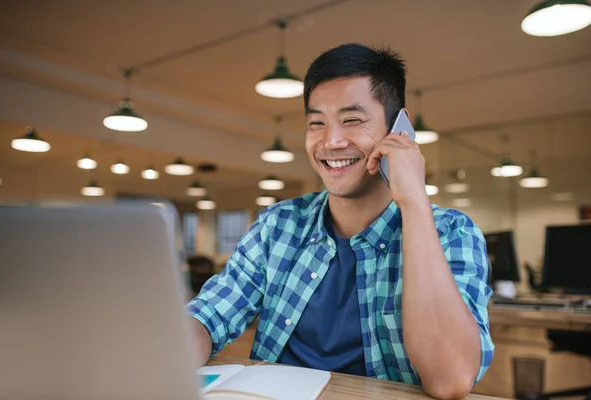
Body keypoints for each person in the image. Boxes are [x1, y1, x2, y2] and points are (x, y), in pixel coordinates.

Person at [187, 43, 494, 400]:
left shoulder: (452, 232)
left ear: (400, 131)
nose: (330, 141)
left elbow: (451, 379)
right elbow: (209, 314)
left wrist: (414, 202)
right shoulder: (278, 225)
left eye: (352, 120)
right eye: (317, 123)